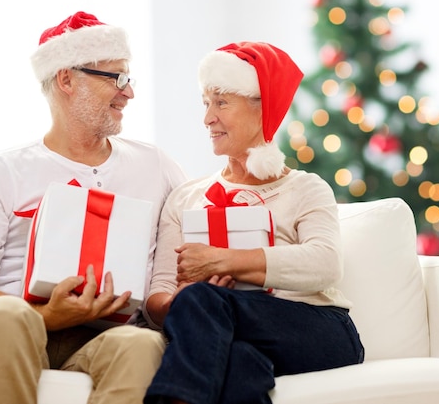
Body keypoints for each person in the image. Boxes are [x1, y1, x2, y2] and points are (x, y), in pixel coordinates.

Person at [0, 10, 187, 404]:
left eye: (129, 79)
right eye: (116, 78)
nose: (129, 92)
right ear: (66, 79)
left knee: (140, 345)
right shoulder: (3, 171)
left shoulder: (154, 165)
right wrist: (45, 316)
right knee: (7, 318)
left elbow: (191, 230)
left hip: (100, 340)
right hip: (12, 331)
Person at [142, 41, 365, 404]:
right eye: (205, 103)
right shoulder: (186, 197)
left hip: (319, 330)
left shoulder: (305, 187)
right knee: (240, 361)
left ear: (264, 109)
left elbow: (326, 264)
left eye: (222, 102)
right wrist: (176, 304)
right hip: (227, 330)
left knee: (205, 301)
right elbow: (158, 294)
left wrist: (224, 262)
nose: (207, 118)